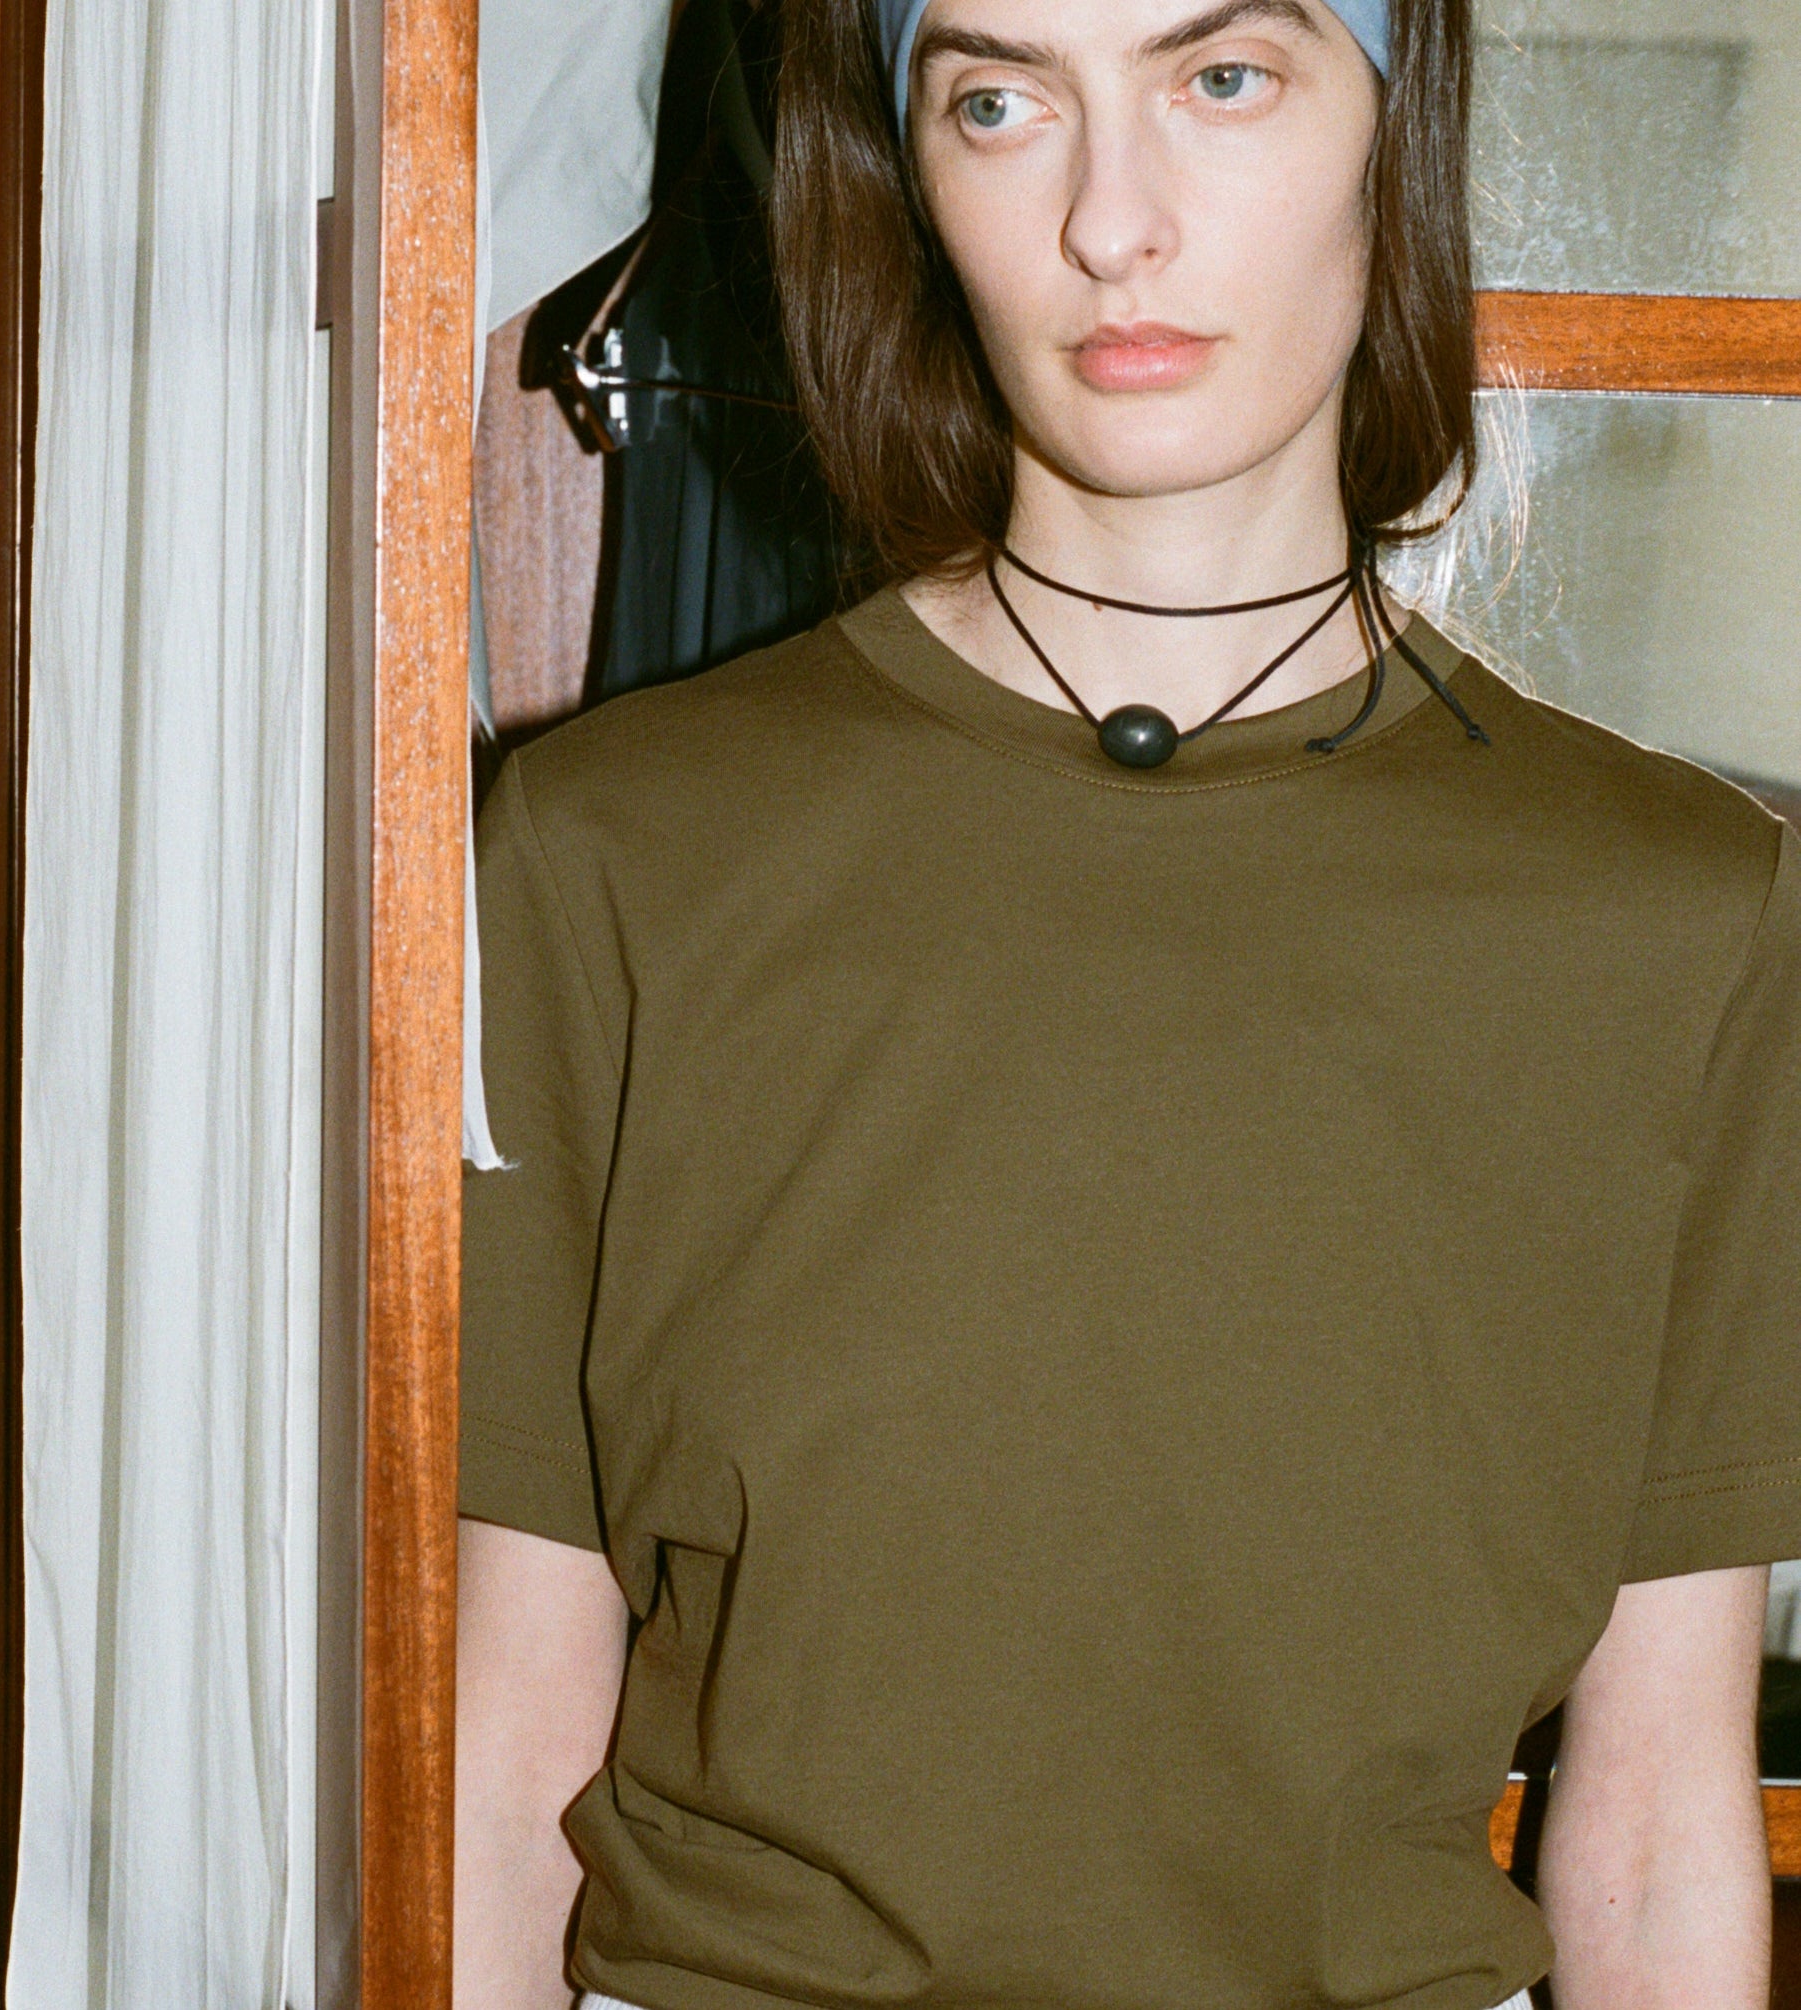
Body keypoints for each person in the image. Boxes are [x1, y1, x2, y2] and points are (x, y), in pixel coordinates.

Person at [454, 0, 1801, 2004]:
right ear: (914, 180)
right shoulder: (612, 852)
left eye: (1218, 81)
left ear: (1391, 128)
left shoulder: (1676, 906)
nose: (1110, 222)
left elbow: (1665, 1813)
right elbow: (501, 1753)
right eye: (1000, 103)